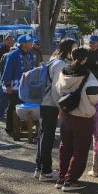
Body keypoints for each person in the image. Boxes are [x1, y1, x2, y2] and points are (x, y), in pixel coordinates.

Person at [53, 47, 98, 191]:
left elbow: (57, 89)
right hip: (83, 117)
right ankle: (71, 180)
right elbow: (94, 98)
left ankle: (61, 178)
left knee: (65, 147)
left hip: (66, 114)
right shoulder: (88, 75)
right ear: (85, 59)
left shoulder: (64, 71)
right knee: (80, 149)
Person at [36, 38, 77, 181]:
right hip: (51, 104)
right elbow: (56, 88)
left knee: (42, 135)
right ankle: (46, 171)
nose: (75, 52)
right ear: (68, 49)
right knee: (47, 137)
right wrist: (61, 107)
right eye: (74, 49)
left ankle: (39, 168)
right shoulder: (60, 64)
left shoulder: (54, 60)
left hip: (45, 102)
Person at [1, 34, 35, 137]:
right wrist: (8, 86)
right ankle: (10, 128)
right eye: (30, 42)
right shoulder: (13, 55)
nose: (32, 43)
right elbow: (7, 71)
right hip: (13, 87)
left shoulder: (29, 54)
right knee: (13, 107)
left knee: (25, 106)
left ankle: (23, 126)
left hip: (26, 86)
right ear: (24, 44)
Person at [0, 34, 15, 119]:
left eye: (12, 40)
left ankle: (3, 109)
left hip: (10, 74)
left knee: (7, 94)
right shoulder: (1, 49)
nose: (10, 42)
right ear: (5, 41)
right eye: (8, 40)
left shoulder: (14, 50)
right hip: (1, 74)